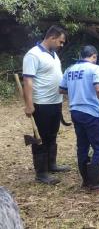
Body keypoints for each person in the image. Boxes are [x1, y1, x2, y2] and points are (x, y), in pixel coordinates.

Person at [22, 25, 70, 185]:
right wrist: (29, 105)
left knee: (52, 135)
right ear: (52, 37)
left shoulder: (53, 55)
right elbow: (28, 81)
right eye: (61, 42)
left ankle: (52, 164)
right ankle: (41, 172)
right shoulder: (33, 55)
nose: (61, 45)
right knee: (40, 137)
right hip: (41, 103)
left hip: (55, 102)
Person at [59, 45, 99, 189]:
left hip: (75, 111)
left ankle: (86, 180)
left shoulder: (69, 69)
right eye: (95, 58)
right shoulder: (95, 69)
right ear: (93, 56)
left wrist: (77, 89)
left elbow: (61, 89)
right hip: (91, 112)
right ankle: (96, 181)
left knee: (82, 146)